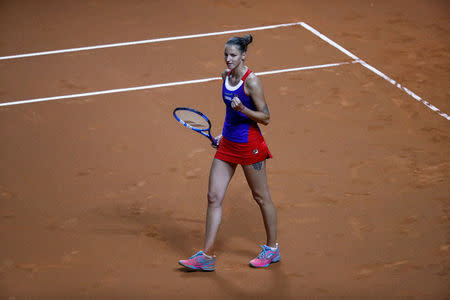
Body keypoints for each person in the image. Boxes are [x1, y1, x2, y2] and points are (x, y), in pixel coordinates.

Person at [178, 34, 279, 271]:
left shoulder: (251, 81)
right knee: (213, 197)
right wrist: (224, 135)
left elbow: (266, 118)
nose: (228, 59)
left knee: (261, 197)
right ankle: (207, 255)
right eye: (225, 55)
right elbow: (230, 115)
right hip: (228, 144)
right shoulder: (225, 77)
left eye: (233, 55)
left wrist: (244, 108)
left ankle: (272, 248)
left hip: (250, 146)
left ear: (244, 55)